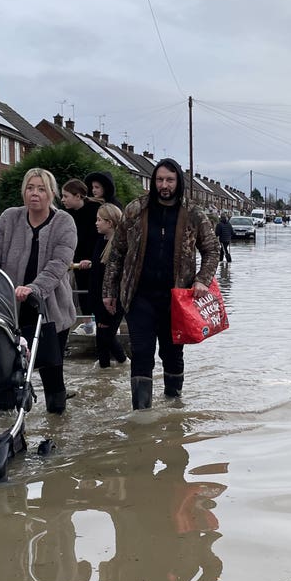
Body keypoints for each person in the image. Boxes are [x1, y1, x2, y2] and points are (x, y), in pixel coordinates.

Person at [102, 157, 219, 410]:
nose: (164, 185)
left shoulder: (194, 214)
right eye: (159, 180)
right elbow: (117, 253)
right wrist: (109, 291)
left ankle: (173, 406)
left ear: (178, 182)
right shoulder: (136, 210)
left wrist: (202, 280)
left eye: (169, 180)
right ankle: (142, 416)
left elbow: (212, 250)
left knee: (172, 354)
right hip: (139, 296)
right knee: (141, 354)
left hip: (177, 300)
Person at [0, 167, 77, 414]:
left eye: (41, 189)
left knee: (51, 371)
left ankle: (57, 421)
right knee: (5, 369)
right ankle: (4, 421)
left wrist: (33, 289)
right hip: (10, 308)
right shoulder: (9, 218)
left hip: (49, 310)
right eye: (30, 188)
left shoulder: (64, 222)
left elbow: (59, 264)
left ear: (52, 193)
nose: (35, 194)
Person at [83, 202, 127, 368]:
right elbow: (101, 267)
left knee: (105, 337)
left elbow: (115, 274)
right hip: (98, 297)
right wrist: (91, 263)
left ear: (109, 223)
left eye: (99, 219)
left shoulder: (118, 245)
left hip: (111, 300)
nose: (96, 222)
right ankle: (106, 372)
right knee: (102, 338)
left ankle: (121, 364)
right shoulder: (101, 241)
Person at [60, 178, 99, 324]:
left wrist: (93, 260)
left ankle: (102, 323)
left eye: (66, 196)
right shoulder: (65, 214)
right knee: (82, 292)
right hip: (76, 260)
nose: (63, 200)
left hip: (95, 260)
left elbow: (102, 239)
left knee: (96, 291)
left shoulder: (95, 210)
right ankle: (88, 324)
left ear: (78, 196)